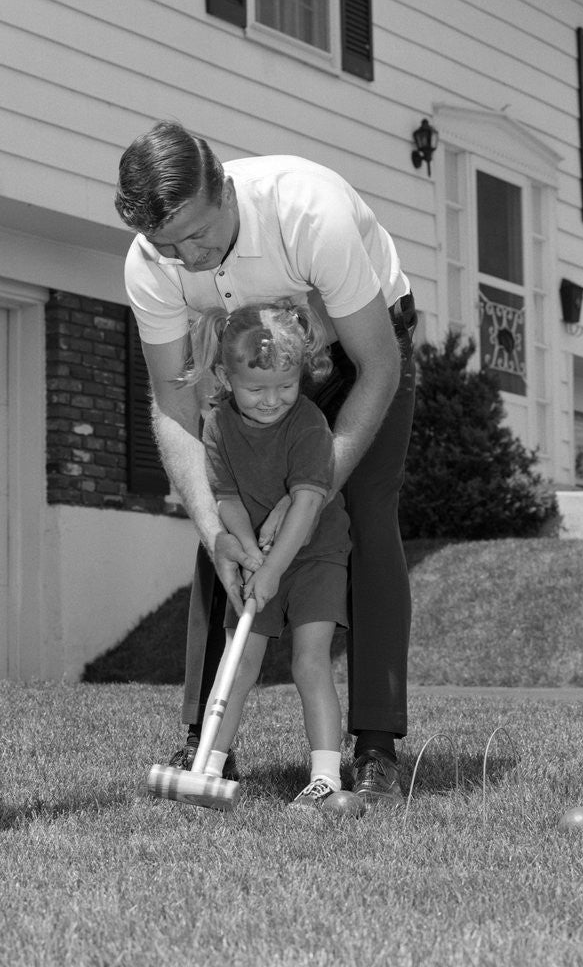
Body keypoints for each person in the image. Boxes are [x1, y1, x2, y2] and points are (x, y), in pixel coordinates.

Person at [115, 121, 416, 806]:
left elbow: (379, 368)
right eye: (167, 245)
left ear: (224, 188)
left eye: (198, 235)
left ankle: (374, 747)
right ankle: (208, 742)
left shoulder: (308, 212)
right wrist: (215, 526)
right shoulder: (149, 265)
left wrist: (308, 501)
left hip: (356, 357)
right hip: (248, 370)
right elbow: (174, 407)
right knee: (223, 517)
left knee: (362, 517)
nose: (186, 257)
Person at [184, 299, 350, 807]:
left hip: (315, 552)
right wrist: (252, 556)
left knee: (309, 661)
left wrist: (275, 568)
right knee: (239, 663)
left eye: (286, 385)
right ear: (225, 378)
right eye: (257, 388)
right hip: (260, 556)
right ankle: (208, 767)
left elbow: (307, 501)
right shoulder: (217, 426)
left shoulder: (307, 422)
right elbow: (227, 497)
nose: (272, 400)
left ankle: (326, 776)